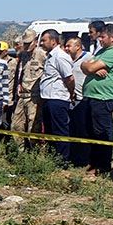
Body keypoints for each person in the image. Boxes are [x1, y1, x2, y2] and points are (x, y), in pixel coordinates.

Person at [80, 23, 113, 177]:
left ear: (112, 38)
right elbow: (84, 66)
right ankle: (94, 163)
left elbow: (89, 68)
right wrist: (88, 66)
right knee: (92, 132)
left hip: (103, 98)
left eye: (103, 37)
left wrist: (90, 67)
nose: (99, 39)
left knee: (102, 133)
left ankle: (103, 166)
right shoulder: (101, 51)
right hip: (92, 97)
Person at [37, 29, 75, 161]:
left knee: (59, 130)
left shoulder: (60, 56)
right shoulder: (50, 56)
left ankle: (62, 159)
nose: (42, 43)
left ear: (53, 41)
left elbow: (69, 78)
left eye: (44, 40)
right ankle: (52, 157)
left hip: (57, 98)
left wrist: (71, 94)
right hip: (48, 98)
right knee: (49, 130)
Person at [11, 27, 46, 134]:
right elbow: (20, 72)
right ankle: (19, 145)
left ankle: (33, 145)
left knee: (33, 126)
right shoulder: (23, 54)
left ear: (35, 41)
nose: (26, 46)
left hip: (34, 96)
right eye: (25, 43)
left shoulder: (41, 54)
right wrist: (19, 84)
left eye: (28, 43)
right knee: (16, 125)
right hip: (22, 94)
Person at [65, 36, 92, 166]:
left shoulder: (89, 58)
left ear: (78, 46)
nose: (66, 48)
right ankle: (74, 157)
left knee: (83, 130)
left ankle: (84, 158)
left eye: (69, 46)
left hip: (83, 99)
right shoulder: (67, 59)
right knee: (72, 129)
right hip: (70, 99)